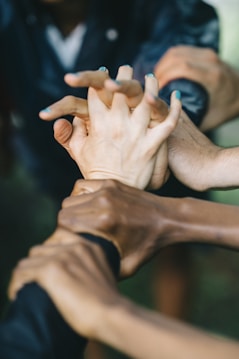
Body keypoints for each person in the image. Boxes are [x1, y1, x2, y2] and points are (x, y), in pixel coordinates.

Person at [0, 0, 219, 326]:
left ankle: (171, 329)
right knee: (79, 244)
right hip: (57, 156)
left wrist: (164, 112)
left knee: (173, 242)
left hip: (161, 153)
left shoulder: (160, 10)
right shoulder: (10, 16)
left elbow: (184, 53)